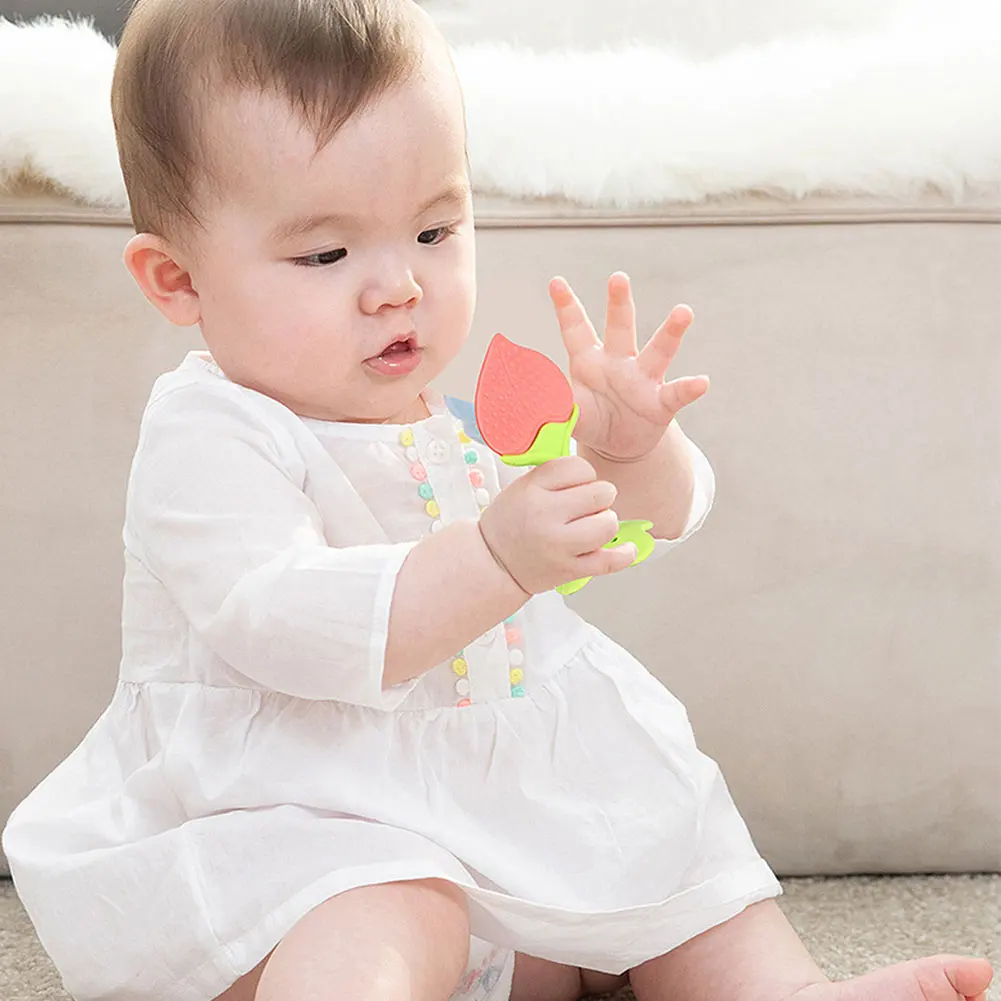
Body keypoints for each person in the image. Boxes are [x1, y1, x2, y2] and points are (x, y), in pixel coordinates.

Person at [2, 2, 993, 1000]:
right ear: (177, 279)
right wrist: (494, 558)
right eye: (325, 254)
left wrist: (625, 451)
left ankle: (781, 992)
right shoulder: (211, 435)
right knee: (387, 902)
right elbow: (279, 619)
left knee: (668, 846)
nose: (398, 286)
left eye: (433, 230)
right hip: (288, 834)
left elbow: (637, 526)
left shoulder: (459, 419)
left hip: (491, 829)